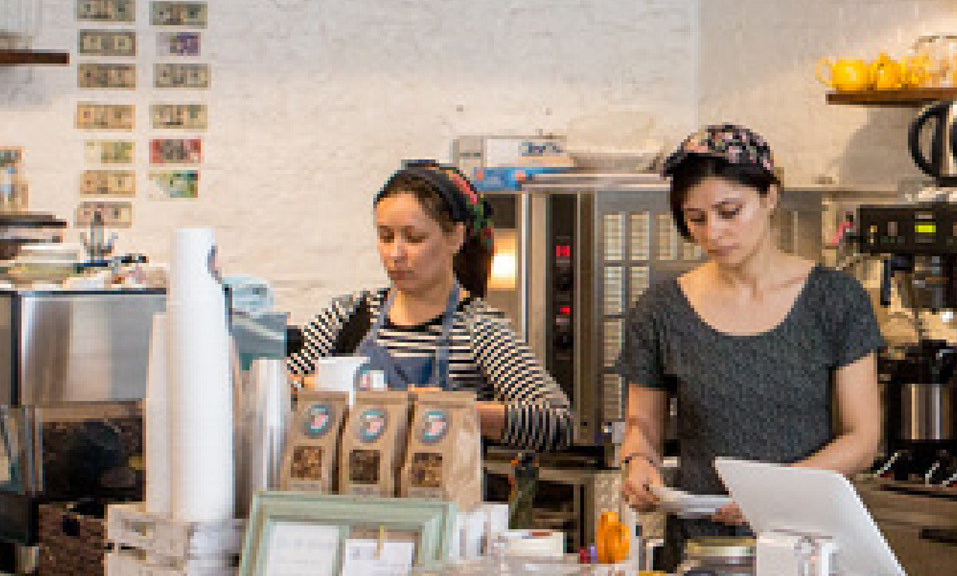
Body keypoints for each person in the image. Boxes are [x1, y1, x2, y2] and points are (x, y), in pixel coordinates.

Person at [613, 123, 883, 510]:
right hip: (700, 536)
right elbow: (642, 425)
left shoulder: (835, 299)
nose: (713, 233)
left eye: (729, 212)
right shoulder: (661, 309)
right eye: (696, 218)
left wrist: (768, 495)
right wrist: (639, 460)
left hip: (803, 533)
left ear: (770, 196)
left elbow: (862, 440)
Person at [283, 160, 574, 451]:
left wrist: (447, 410)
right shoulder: (348, 315)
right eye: (385, 237)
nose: (395, 253)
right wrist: (309, 388)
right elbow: (276, 386)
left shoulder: (477, 329)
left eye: (414, 238)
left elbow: (557, 422)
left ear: (455, 238)